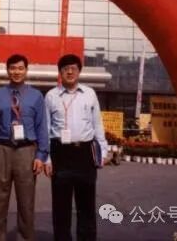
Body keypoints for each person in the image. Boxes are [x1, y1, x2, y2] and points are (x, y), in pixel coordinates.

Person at [44, 54, 108, 241]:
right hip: (60, 153)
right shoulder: (51, 96)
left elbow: (97, 124)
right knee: (61, 206)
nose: (70, 72)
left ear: (79, 71)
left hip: (84, 154)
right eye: (65, 69)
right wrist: (47, 158)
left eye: (73, 68)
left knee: (86, 205)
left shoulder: (89, 93)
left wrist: (103, 150)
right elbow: (46, 129)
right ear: (60, 73)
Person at [0, 54, 49, 241]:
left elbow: (41, 126)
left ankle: (25, 237)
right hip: (2, 149)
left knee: (26, 200)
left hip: (26, 151)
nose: (16, 72)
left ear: (26, 70)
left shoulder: (36, 96)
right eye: (13, 68)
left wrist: (41, 156)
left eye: (20, 68)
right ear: (7, 71)